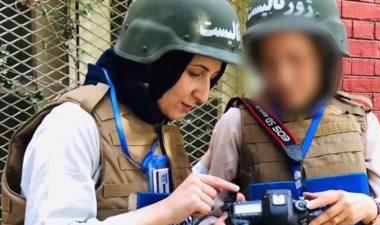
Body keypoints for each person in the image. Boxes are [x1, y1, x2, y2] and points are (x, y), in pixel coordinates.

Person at [1, 0, 243, 224]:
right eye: (195, 73)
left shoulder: (155, 127)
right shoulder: (71, 125)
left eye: (213, 78)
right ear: (154, 63)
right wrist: (166, 211)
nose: (203, 95)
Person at [195, 0, 380, 225]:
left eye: (297, 59)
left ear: (325, 59)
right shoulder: (235, 122)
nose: (283, 77)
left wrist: (372, 209)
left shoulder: (361, 122)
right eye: (269, 63)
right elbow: (207, 213)